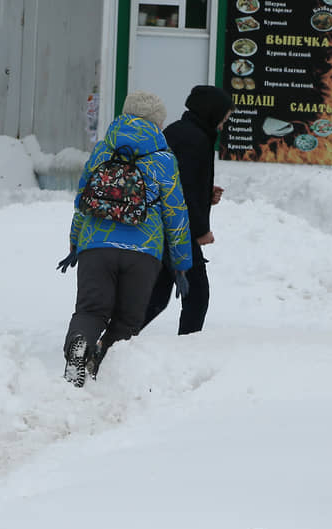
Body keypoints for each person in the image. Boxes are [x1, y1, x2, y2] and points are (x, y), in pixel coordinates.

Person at [58, 90, 193, 387]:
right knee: (127, 319)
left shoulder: (103, 150)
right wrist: (182, 262)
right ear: (158, 122)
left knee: (91, 310)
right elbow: (176, 213)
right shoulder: (163, 159)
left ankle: (78, 348)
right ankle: (102, 364)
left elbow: (83, 199)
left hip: (97, 245)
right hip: (143, 252)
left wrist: (76, 241)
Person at [141, 85, 234, 335]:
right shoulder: (195, 140)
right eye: (223, 118)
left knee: (157, 296)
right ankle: (187, 349)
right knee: (197, 295)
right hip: (176, 227)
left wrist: (206, 192)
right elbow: (185, 192)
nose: (223, 125)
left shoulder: (180, 132)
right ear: (211, 113)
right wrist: (201, 230)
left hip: (161, 223)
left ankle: (114, 339)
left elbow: (181, 181)